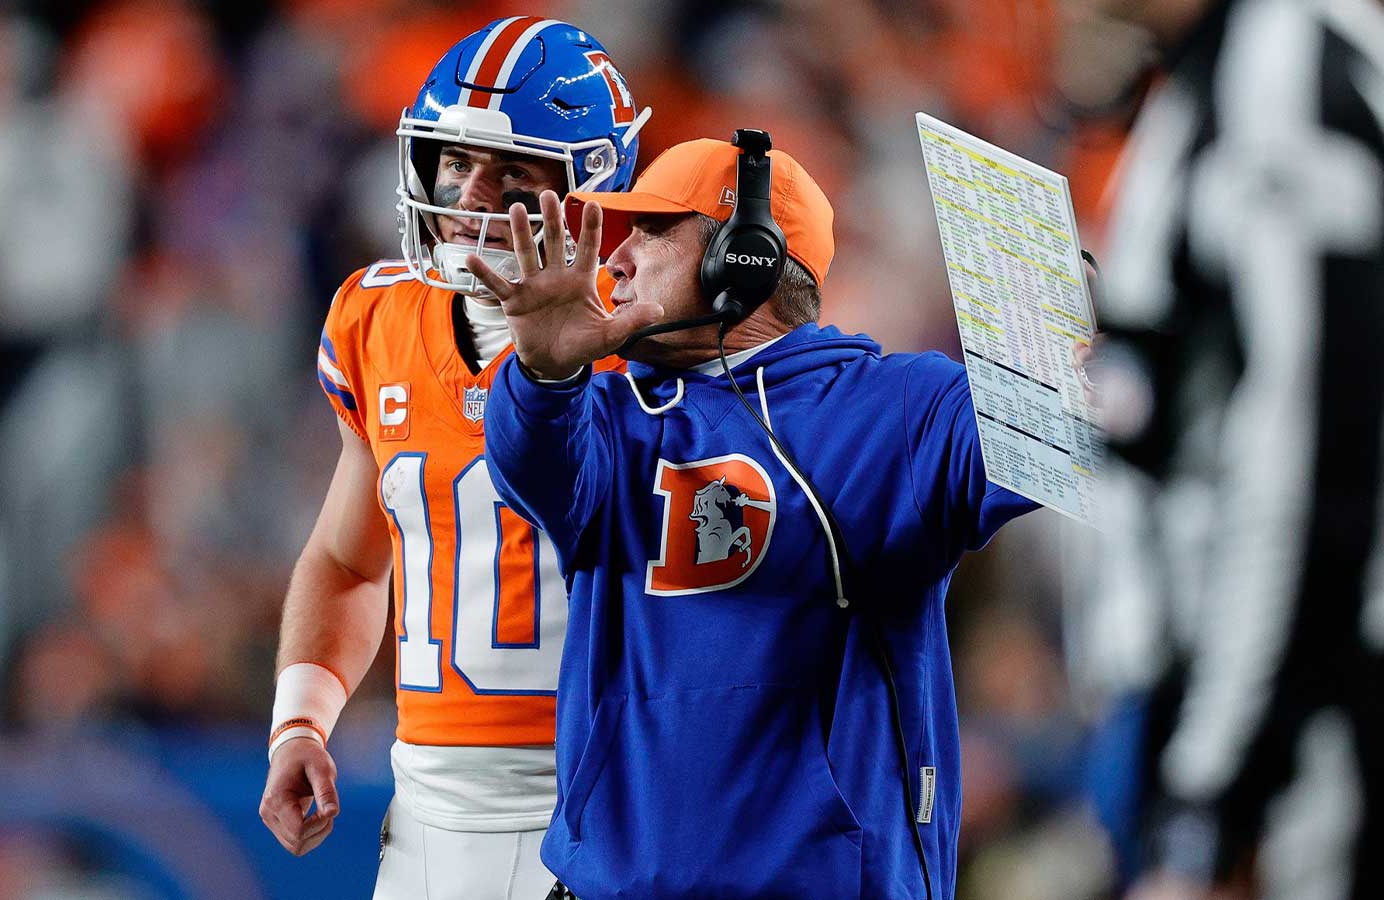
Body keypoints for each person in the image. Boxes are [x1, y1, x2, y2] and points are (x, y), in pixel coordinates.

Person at [468, 135, 1040, 899]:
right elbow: (529, 462)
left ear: (744, 258)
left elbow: (1051, 442)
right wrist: (544, 372)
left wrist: (1057, 347)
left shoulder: (897, 409)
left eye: (653, 230)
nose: (617, 259)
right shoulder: (606, 415)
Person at [256, 17, 649, 899]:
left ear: (591, 187)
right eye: (454, 162)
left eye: (512, 172)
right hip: (425, 813)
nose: (469, 195)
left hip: (606, 810)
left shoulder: (654, 345)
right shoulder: (376, 320)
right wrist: (301, 724)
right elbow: (351, 560)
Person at [1071, 0, 1384, 897]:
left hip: (1307, 721)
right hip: (1245, 692)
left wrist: (1218, 787)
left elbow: (1319, 455)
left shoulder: (1280, 72)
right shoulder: (1212, 77)